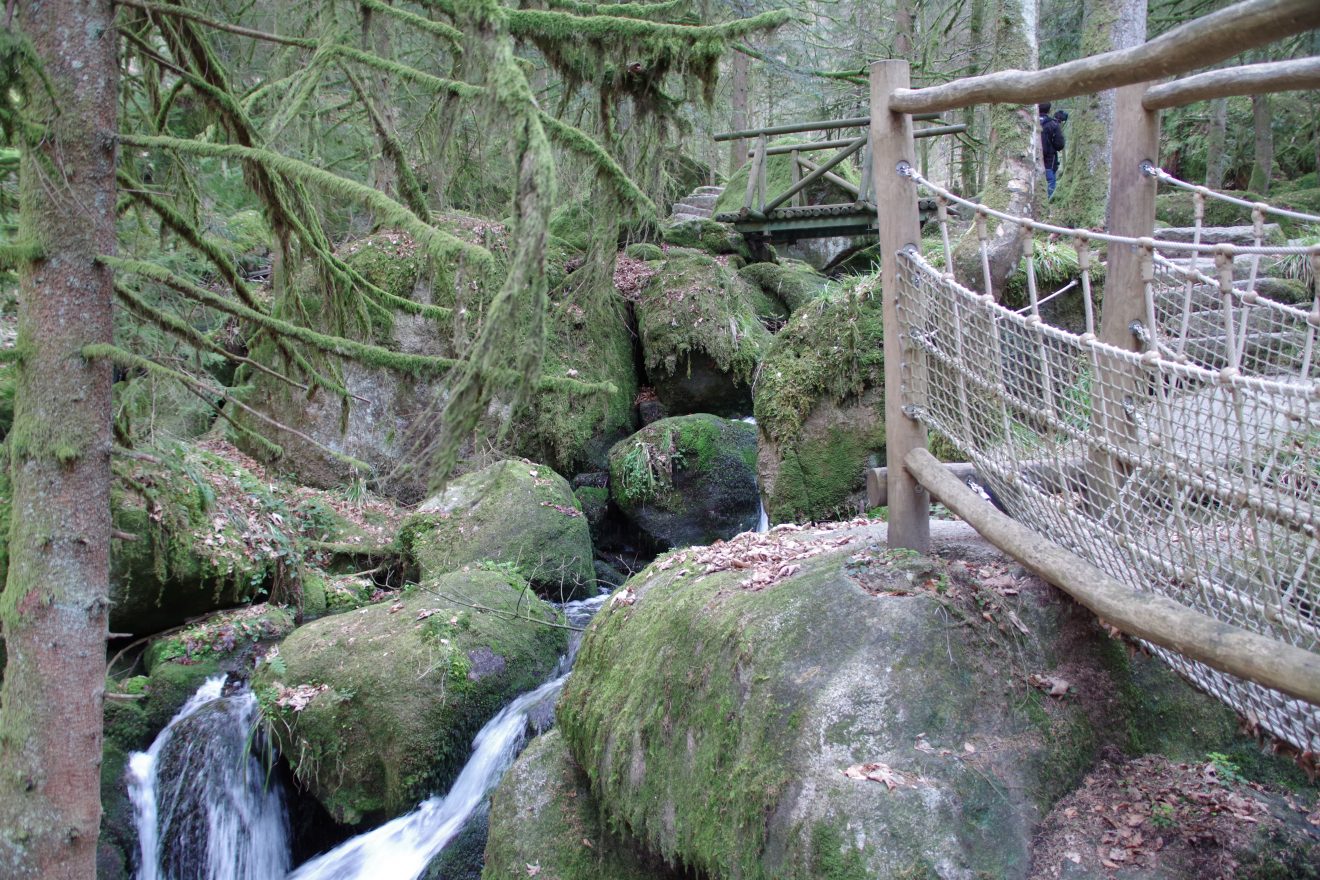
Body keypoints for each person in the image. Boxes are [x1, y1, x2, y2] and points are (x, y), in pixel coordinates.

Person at [1039, 103, 1065, 197]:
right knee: (1050, 183)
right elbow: (1059, 144)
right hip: (1049, 161)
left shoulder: (1028, 121)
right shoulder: (1053, 124)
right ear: (1049, 110)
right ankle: (1046, 206)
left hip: (1030, 161)